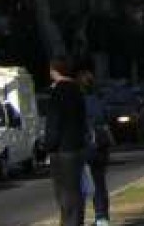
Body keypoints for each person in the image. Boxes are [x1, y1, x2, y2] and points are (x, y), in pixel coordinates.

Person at [45, 57, 88, 226]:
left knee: (64, 193)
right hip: (77, 146)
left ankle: (69, 222)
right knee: (75, 191)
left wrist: (48, 145)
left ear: (54, 71)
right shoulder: (77, 91)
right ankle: (75, 221)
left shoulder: (57, 92)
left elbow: (54, 122)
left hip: (62, 150)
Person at [77, 66, 114, 226]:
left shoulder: (78, 102)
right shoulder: (99, 100)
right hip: (101, 146)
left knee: (82, 186)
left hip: (85, 146)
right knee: (100, 184)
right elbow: (107, 119)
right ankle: (102, 218)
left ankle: (80, 218)